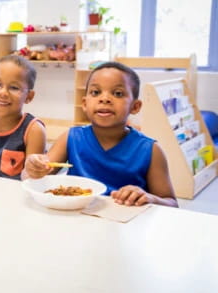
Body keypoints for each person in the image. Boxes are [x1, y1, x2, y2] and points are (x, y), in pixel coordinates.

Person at [24, 61, 178, 207]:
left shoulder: (151, 150)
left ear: (135, 106)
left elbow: (171, 203)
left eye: (117, 93)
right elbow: (31, 177)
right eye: (96, 92)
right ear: (84, 103)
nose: (104, 99)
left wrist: (149, 198)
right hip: (77, 220)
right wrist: (33, 168)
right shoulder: (71, 137)